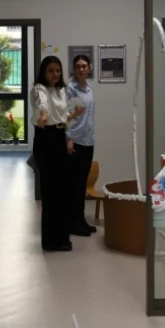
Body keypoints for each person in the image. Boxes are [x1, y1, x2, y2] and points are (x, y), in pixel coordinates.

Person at [30, 55, 83, 252]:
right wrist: (43, 115)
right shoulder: (39, 89)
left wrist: (74, 115)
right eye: (51, 71)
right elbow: (43, 105)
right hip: (46, 139)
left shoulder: (61, 90)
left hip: (59, 137)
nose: (55, 74)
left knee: (61, 191)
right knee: (50, 192)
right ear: (44, 72)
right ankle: (50, 241)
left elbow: (61, 117)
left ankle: (61, 237)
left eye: (58, 71)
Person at [66, 53, 96, 237]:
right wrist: (68, 138)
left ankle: (81, 220)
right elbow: (67, 114)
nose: (81, 69)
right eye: (78, 66)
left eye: (84, 66)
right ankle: (72, 223)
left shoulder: (89, 88)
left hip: (88, 140)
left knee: (82, 183)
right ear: (74, 69)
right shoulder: (71, 88)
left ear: (89, 68)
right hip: (75, 141)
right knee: (74, 185)